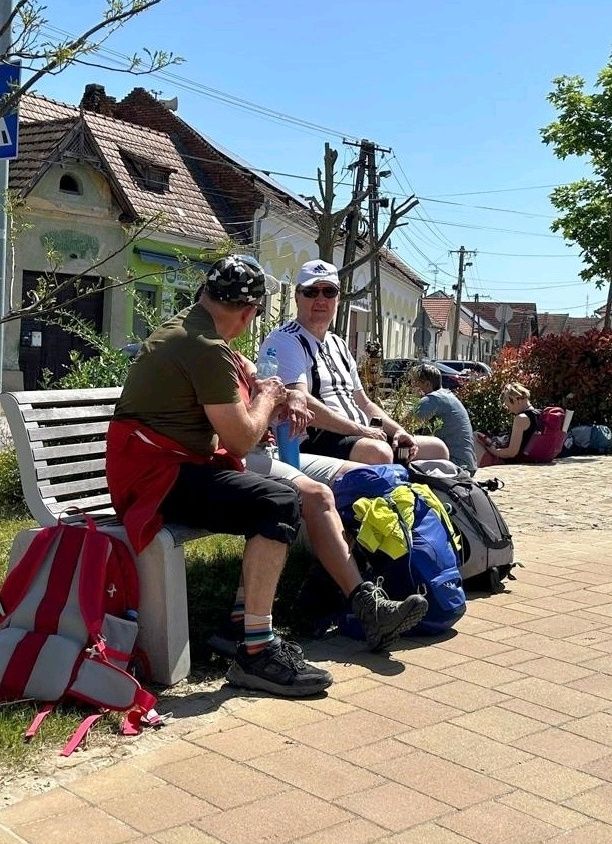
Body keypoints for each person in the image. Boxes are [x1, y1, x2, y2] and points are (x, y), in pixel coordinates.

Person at [106, 255, 428, 698]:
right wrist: (270, 397)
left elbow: (255, 375)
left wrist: (279, 390)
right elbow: (240, 440)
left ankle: (243, 624)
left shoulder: (192, 326)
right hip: (157, 482)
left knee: (278, 494)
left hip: (161, 469)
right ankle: (256, 652)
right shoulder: (205, 347)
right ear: (250, 311)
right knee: (276, 501)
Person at [259, 259, 449, 466]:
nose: (321, 299)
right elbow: (301, 399)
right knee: (379, 453)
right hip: (317, 438)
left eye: (329, 292)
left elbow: (364, 403)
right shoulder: (285, 339)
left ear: (338, 299)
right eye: (311, 292)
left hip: (359, 435)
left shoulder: (337, 343)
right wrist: (361, 430)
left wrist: (398, 431)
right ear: (297, 296)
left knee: (436, 449)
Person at [411, 363, 477, 474]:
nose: (411, 386)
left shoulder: (432, 399)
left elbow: (407, 426)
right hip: (467, 464)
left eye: (414, 382)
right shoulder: (447, 396)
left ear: (427, 384)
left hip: (456, 465)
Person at [476, 382, 540, 467]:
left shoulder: (520, 418)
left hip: (509, 461)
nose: (510, 411)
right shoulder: (539, 414)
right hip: (527, 458)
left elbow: (512, 452)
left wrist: (492, 449)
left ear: (517, 400)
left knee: (475, 436)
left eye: (509, 406)